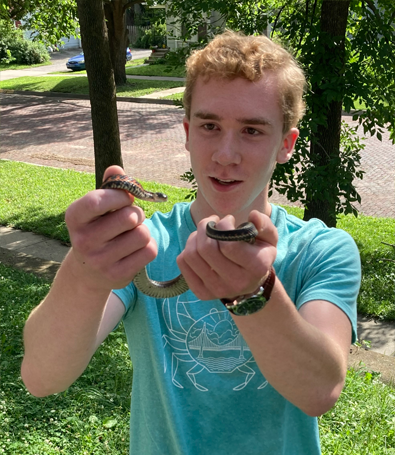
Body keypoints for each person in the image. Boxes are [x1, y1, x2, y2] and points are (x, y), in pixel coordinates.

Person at [21, 31, 361, 454]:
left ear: (286, 144)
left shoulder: (323, 250)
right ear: (186, 131)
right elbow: (41, 377)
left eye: (252, 131)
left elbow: (321, 391)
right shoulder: (144, 243)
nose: (225, 154)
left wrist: (253, 294)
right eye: (209, 126)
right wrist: (84, 274)